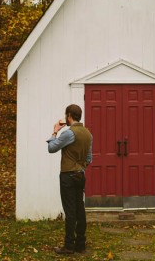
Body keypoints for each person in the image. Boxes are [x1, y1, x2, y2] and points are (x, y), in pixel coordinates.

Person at [47, 104, 93, 255]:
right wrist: (80, 168)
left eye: (66, 115)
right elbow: (89, 159)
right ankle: (81, 245)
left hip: (68, 175)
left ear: (69, 116)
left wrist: (54, 132)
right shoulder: (88, 134)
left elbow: (52, 148)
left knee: (70, 211)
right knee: (80, 209)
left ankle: (68, 246)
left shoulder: (69, 133)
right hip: (80, 175)